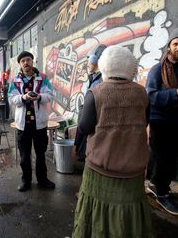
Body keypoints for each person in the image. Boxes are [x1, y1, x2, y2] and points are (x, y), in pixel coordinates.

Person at [72, 46, 154, 237]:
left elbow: (84, 128)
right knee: (129, 216)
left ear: (104, 66)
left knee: (97, 215)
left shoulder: (96, 93)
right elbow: (145, 122)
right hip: (133, 172)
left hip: (100, 171)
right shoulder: (142, 94)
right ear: (130, 68)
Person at [8, 51, 55, 192]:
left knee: (41, 154)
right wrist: (23, 97)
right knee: (24, 156)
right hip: (23, 125)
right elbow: (11, 99)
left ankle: (42, 179)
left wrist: (38, 97)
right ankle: (25, 181)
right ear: (20, 64)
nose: (26, 63)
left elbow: (50, 95)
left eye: (28, 60)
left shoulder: (43, 78)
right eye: (23, 61)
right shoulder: (15, 80)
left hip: (39, 124)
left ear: (32, 61)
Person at [145, 28, 178, 215]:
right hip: (160, 121)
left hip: (175, 121)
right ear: (169, 47)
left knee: (171, 158)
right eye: (176, 43)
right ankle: (161, 192)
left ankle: (158, 185)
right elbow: (151, 96)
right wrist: (175, 94)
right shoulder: (158, 70)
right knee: (163, 158)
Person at [74, 54, 103, 162]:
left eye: (89, 63)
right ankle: (81, 153)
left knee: (85, 130)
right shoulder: (94, 76)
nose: (88, 65)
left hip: (93, 109)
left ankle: (82, 154)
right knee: (82, 130)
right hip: (87, 107)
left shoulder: (101, 78)